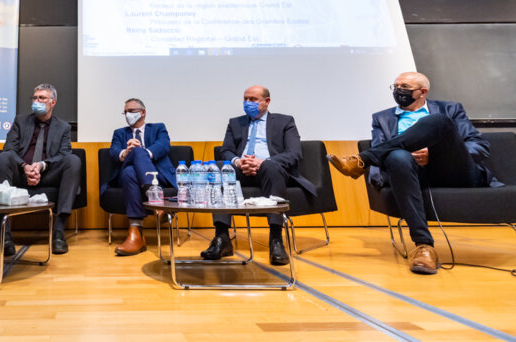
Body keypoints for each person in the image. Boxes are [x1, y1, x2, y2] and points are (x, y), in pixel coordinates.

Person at [328, 71, 500, 275]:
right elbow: (381, 147)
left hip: (455, 170)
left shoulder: (450, 109)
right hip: (410, 174)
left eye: (405, 88)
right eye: (396, 87)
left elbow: (479, 146)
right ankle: (423, 246)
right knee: (396, 156)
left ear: (422, 92)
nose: (399, 91)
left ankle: (362, 160)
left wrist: (433, 154)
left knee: (438, 121)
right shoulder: (382, 118)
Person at [201, 85, 315, 266]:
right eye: (245, 99)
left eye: (253, 99)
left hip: (270, 169)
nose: (248, 103)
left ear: (266, 101)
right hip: (242, 168)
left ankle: (276, 239)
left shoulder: (284, 122)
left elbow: (294, 153)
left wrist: (263, 162)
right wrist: (239, 162)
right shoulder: (235, 123)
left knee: (271, 167)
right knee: (222, 169)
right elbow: (226, 151)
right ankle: (221, 238)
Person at [0, 83, 81, 255]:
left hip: (48, 174)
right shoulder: (20, 121)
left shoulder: (63, 127)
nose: (36, 101)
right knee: (3, 157)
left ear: (53, 102)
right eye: (35, 98)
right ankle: (5, 235)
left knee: (73, 160)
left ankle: (59, 232)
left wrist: (41, 165)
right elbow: (9, 148)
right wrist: (25, 167)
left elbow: (63, 153)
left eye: (42, 98)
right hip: (20, 172)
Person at [102, 98, 174, 256]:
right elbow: (114, 151)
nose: (128, 114)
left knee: (131, 170)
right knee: (131, 159)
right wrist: (126, 152)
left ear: (143, 112)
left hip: (158, 174)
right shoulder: (119, 133)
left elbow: (163, 145)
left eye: (132, 111)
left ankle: (136, 233)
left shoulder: (158, 128)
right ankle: (154, 195)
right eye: (125, 112)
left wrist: (142, 152)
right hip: (124, 174)